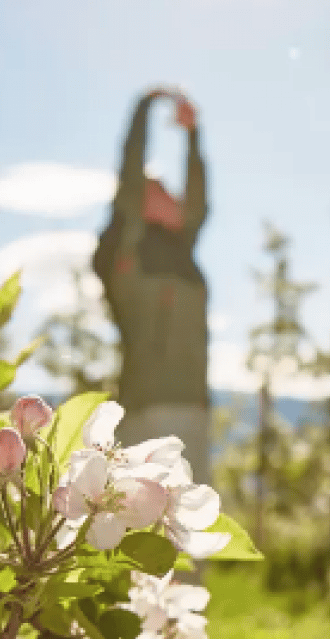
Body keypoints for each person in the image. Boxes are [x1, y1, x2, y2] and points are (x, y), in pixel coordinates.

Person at [92, 86, 212, 485]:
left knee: (193, 535)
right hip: (146, 408)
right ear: (140, 203)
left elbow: (198, 202)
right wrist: (146, 104)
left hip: (194, 408)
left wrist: (194, 135)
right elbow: (129, 174)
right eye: (158, 188)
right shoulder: (129, 251)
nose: (171, 193)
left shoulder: (183, 251)